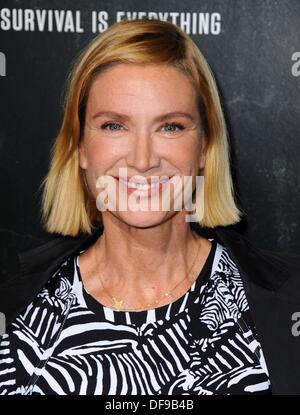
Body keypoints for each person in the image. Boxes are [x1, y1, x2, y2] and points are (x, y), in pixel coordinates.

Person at [0, 18, 299, 396]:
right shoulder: (16, 307)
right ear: (79, 148)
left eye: (170, 127)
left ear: (205, 147)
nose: (142, 160)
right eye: (113, 126)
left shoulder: (291, 299)